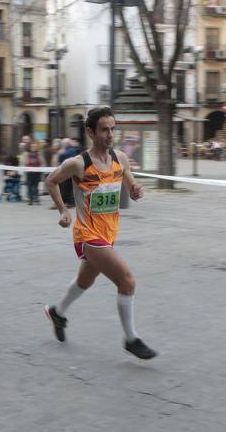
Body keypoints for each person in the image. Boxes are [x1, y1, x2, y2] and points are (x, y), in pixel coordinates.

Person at [43, 107, 157, 360]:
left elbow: (131, 185)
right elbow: (50, 180)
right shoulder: (78, 164)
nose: (110, 135)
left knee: (85, 281)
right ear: (90, 132)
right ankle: (131, 339)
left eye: (113, 129)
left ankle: (58, 313)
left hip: (109, 233)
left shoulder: (120, 159)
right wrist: (63, 210)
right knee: (126, 280)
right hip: (87, 235)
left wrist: (136, 190)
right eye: (104, 129)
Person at [57, 138, 78, 208]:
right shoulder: (70, 150)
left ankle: (70, 202)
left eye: (63, 144)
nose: (62, 145)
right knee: (66, 187)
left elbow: (61, 156)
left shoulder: (70, 150)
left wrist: (60, 152)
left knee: (67, 187)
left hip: (68, 172)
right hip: (67, 171)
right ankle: (67, 201)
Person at [25, 141, 42, 205]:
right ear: (30, 147)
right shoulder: (28, 154)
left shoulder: (38, 154)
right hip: (29, 172)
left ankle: (37, 198)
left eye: (34, 146)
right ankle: (30, 199)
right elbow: (26, 163)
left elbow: (40, 162)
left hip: (36, 172)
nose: (33, 148)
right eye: (32, 146)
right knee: (29, 186)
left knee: (36, 186)